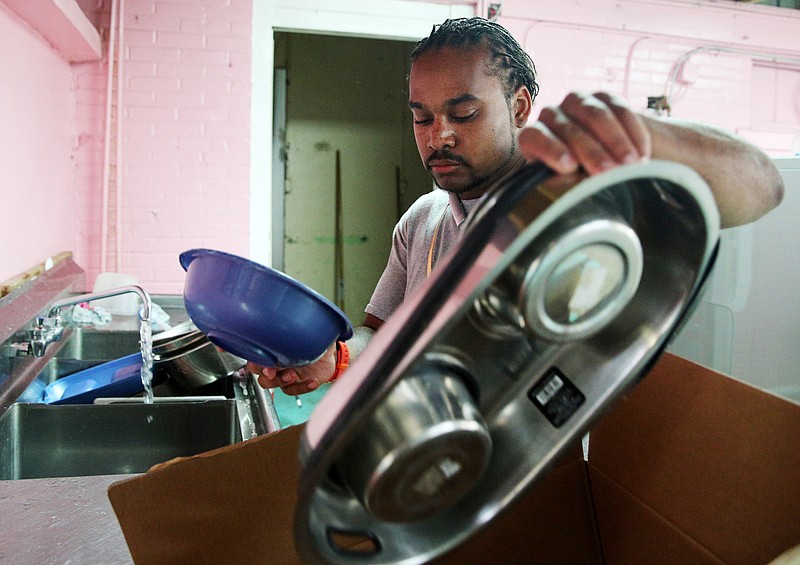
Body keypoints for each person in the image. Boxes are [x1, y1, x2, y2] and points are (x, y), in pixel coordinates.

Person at [246, 17, 784, 397]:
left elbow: (763, 187)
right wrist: (332, 356)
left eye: (464, 112)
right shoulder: (423, 220)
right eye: (423, 117)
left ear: (519, 105)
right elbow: (380, 335)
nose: (441, 136)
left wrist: (642, 133)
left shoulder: (574, 204)